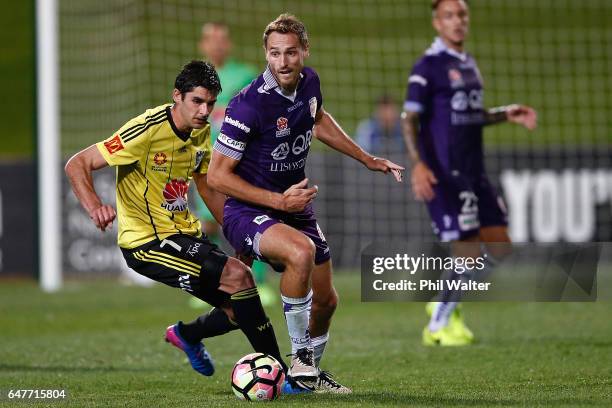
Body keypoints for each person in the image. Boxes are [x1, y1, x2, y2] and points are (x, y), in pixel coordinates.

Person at [207, 14, 403, 393]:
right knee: (301, 252)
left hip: (294, 206)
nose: (283, 62)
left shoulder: (309, 82)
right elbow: (217, 176)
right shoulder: (247, 105)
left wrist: (367, 158)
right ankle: (301, 359)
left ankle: (308, 377)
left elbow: (319, 118)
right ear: (266, 54)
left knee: (327, 301)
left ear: (304, 52)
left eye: (291, 53)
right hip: (249, 210)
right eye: (275, 53)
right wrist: (277, 199)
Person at [64, 60, 287, 377]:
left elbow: (206, 185)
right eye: (197, 101)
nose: (203, 110)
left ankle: (187, 335)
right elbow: (78, 163)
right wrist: (94, 206)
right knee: (239, 278)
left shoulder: (200, 132)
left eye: (209, 103)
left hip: (186, 235)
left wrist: (239, 235)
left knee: (239, 306)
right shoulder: (146, 130)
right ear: (177, 96)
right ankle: (283, 375)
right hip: (148, 243)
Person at [402, 0, 537, 346]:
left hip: (475, 172)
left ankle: (445, 300)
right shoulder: (428, 66)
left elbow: (472, 114)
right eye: (449, 15)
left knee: (500, 247)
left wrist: (506, 113)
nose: (457, 21)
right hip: (446, 173)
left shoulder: (469, 64)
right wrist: (418, 163)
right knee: (468, 251)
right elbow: (410, 118)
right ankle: (437, 327)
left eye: (462, 14)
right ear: (436, 22)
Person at [194, 22, 276, 306]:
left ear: (228, 44)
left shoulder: (244, 75)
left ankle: (258, 283)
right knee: (208, 224)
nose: (217, 44)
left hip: (239, 160)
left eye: (222, 39)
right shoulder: (193, 78)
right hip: (205, 159)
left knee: (248, 220)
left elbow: (258, 110)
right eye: (211, 39)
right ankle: (214, 285)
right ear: (202, 45)